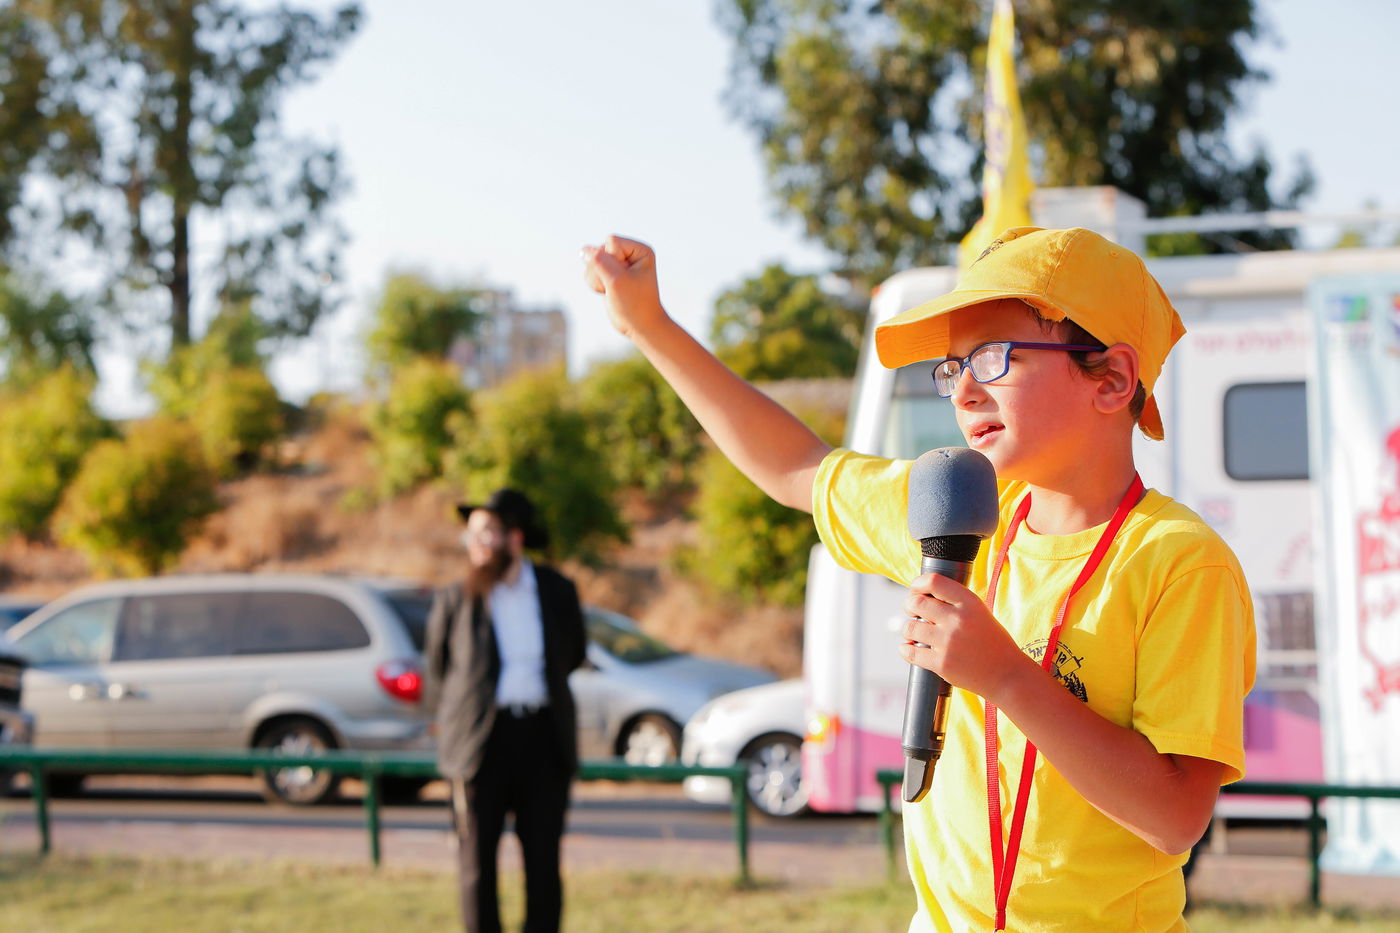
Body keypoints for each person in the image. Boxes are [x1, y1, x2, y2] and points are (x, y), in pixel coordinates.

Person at [581, 227, 1255, 932]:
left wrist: (1004, 675)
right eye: (952, 365)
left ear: (1111, 378)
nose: (961, 388)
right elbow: (796, 469)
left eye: (992, 358)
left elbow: (1176, 817)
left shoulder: (1180, 561)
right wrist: (648, 325)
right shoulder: (953, 510)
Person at [422, 488, 587, 933]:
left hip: (542, 739)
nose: (475, 544)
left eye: (487, 533)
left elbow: (572, 654)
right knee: (476, 865)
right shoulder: (456, 598)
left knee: (543, 863)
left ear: (515, 538)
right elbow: (438, 670)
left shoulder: (556, 591)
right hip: (480, 746)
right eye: (471, 535)